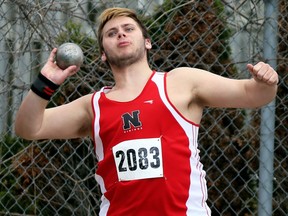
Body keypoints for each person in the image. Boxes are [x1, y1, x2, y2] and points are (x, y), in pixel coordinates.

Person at [15, 7, 278, 216]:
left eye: (128, 28)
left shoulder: (181, 82)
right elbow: (29, 128)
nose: (121, 34)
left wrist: (267, 82)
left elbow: (252, 94)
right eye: (111, 33)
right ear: (103, 54)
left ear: (148, 42)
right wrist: (46, 82)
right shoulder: (93, 105)